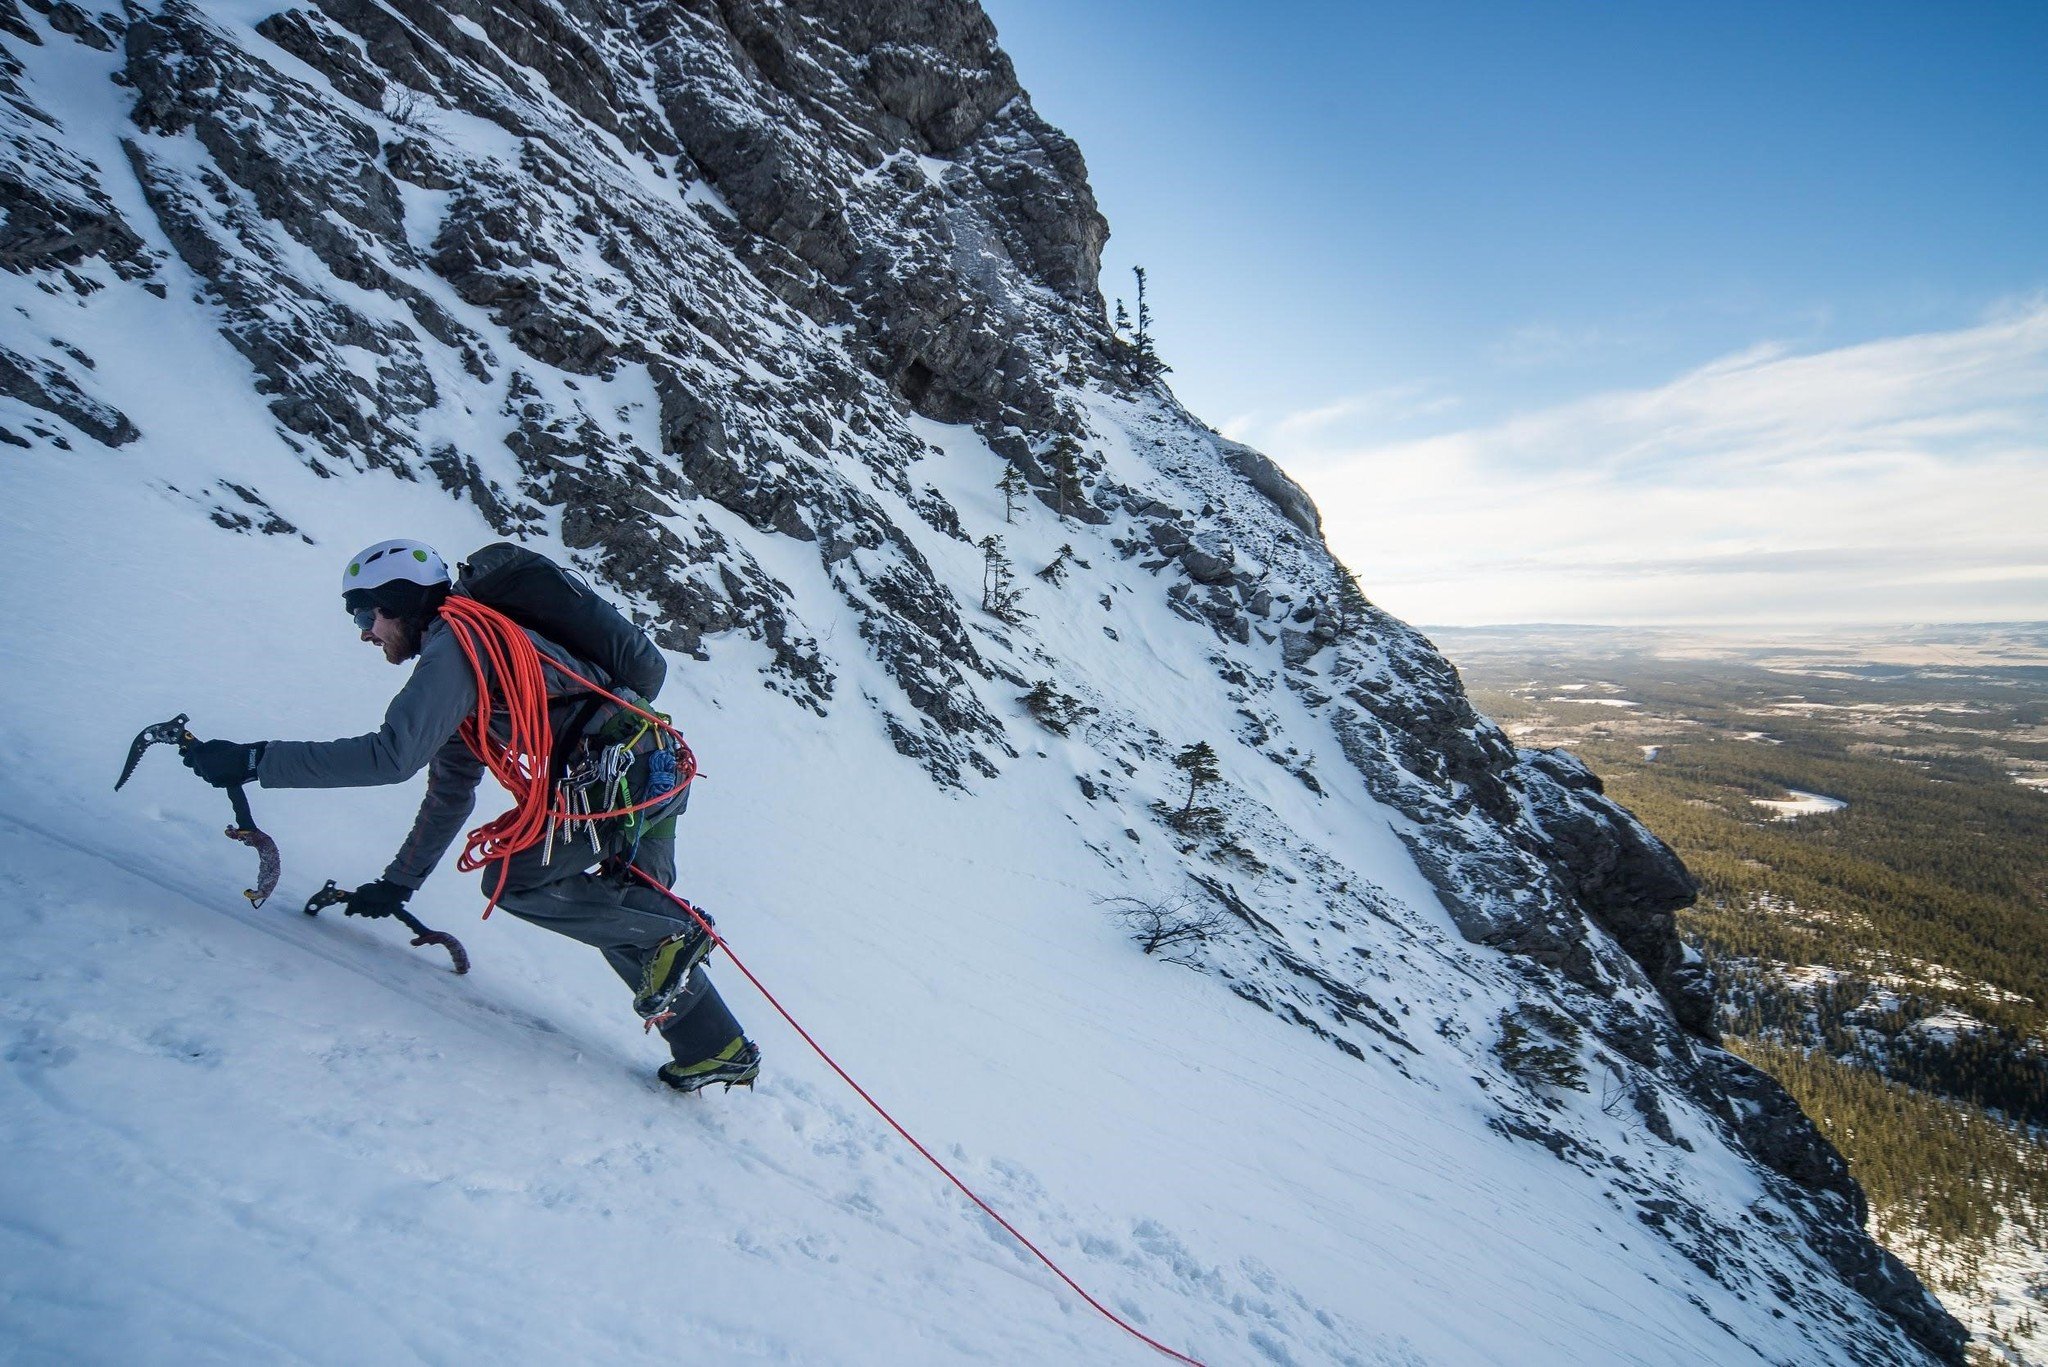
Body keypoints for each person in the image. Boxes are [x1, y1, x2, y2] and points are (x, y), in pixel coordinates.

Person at [181, 538, 760, 1094]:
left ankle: (676, 938)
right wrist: (398, 882)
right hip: (650, 765)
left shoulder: (458, 647)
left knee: (518, 881)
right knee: (618, 912)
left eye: (365, 613)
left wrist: (257, 760)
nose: (364, 633)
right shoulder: (477, 665)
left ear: (401, 600)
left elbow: (391, 757)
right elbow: (449, 792)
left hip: (614, 777)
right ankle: (714, 1047)